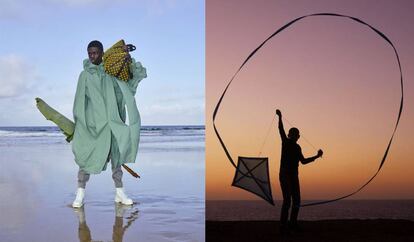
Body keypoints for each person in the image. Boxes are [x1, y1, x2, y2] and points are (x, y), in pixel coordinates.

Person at [72, 40, 147, 208]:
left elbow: (125, 87)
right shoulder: (84, 75)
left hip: (112, 123)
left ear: (102, 53)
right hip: (94, 125)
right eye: (90, 53)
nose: (92, 56)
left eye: (95, 53)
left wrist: (126, 57)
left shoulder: (110, 72)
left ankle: (120, 193)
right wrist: (81, 125)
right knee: (86, 158)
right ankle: (80, 194)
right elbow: (79, 102)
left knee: (117, 158)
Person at [276, 109, 323, 233]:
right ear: (290, 135)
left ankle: (292, 223)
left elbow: (303, 161)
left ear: (297, 136)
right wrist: (280, 117)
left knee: (296, 200)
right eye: (294, 134)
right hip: (285, 175)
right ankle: (283, 225)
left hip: (293, 176)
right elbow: (280, 130)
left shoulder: (297, 147)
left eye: (296, 134)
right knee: (287, 200)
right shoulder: (285, 143)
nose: (296, 136)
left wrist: (316, 157)